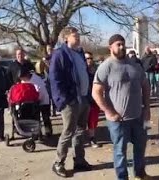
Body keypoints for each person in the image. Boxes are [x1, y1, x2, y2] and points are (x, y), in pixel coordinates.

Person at [92, 34, 151, 180]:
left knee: (140, 147)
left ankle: (140, 174)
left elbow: (145, 86)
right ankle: (122, 178)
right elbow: (96, 92)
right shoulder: (106, 67)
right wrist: (109, 112)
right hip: (118, 120)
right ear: (110, 47)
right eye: (118, 44)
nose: (122, 47)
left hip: (137, 116)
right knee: (120, 151)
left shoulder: (134, 65)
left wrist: (147, 108)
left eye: (123, 44)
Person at [49, 27, 93, 177]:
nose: (78, 38)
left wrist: (88, 95)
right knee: (68, 132)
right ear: (66, 38)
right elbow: (54, 80)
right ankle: (58, 163)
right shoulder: (59, 54)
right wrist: (62, 101)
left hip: (83, 98)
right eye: (75, 36)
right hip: (70, 101)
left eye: (78, 35)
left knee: (80, 131)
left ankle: (79, 160)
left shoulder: (80, 53)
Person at [19, 67, 52, 137]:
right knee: (36, 117)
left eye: (23, 78)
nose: (22, 80)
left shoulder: (37, 80)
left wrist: (37, 99)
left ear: (27, 75)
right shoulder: (24, 81)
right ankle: (37, 132)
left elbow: (41, 92)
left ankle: (48, 131)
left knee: (45, 116)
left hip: (43, 99)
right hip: (33, 101)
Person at [84, 51, 102, 148]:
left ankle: (92, 138)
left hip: (94, 98)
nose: (89, 60)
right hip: (84, 98)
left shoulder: (96, 70)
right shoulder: (81, 71)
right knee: (82, 121)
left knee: (93, 120)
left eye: (91, 58)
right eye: (87, 58)